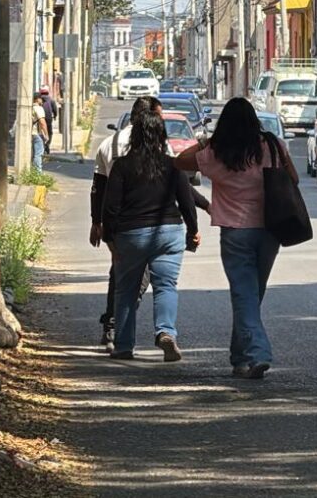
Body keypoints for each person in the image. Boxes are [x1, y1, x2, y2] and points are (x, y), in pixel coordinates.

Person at [175, 97, 297, 380]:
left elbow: (180, 162)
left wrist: (205, 142)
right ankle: (240, 357)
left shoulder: (218, 152)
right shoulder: (272, 145)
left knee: (245, 295)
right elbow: (293, 179)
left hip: (235, 232)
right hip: (270, 229)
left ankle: (258, 354)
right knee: (251, 295)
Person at [90, 96, 209, 351]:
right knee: (166, 286)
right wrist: (193, 230)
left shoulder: (121, 166)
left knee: (126, 290)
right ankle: (166, 332)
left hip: (131, 235)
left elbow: (110, 207)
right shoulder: (171, 164)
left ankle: (123, 346)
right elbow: (186, 199)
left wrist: (111, 241)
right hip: (169, 232)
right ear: (161, 134)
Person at [31, 93, 48, 171]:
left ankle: (33, 170)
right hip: (37, 133)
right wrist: (46, 135)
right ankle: (37, 172)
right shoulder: (38, 108)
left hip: (31, 133)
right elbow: (42, 122)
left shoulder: (30, 107)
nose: (42, 101)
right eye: (41, 99)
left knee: (34, 154)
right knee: (39, 153)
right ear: (37, 99)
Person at [39, 86, 55, 154]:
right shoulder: (51, 100)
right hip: (49, 119)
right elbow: (55, 109)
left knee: (40, 132)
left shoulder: (38, 99)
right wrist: (55, 115)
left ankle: (42, 145)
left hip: (40, 118)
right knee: (49, 132)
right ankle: (47, 144)